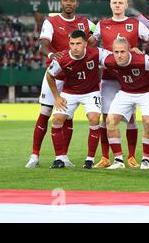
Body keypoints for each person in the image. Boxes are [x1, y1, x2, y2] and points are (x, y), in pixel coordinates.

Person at [89, 0, 149, 169]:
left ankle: (131, 157)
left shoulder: (135, 24)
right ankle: (106, 157)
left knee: (131, 119)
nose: (117, 5)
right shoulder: (102, 24)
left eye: (120, 3)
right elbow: (89, 45)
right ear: (110, 5)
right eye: (114, 2)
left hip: (131, 78)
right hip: (109, 77)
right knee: (106, 118)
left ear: (125, 5)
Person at [26, 0, 94, 168]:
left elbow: (98, 34)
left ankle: (63, 156)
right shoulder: (51, 21)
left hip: (73, 77)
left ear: (77, 4)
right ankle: (34, 155)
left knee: (67, 116)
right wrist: (51, 54)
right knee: (46, 112)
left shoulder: (85, 23)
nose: (68, 3)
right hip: (54, 75)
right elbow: (43, 44)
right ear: (60, 3)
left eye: (72, 1)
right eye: (65, 0)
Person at [46, 30, 109, 169]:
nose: (75, 47)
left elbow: (115, 56)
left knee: (94, 118)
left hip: (91, 92)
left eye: (78, 44)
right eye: (72, 44)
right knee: (56, 119)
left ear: (85, 44)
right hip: (69, 92)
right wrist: (57, 97)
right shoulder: (62, 58)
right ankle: (59, 159)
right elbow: (49, 75)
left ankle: (90, 159)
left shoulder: (96, 52)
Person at [101, 37, 149, 169]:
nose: (119, 55)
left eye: (122, 52)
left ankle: (146, 160)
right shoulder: (108, 61)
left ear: (130, 51)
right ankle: (118, 161)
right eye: (116, 52)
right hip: (126, 92)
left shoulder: (142, 60)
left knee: (148, 122)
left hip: (147, 92)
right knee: (110, 121)